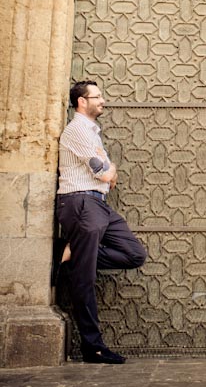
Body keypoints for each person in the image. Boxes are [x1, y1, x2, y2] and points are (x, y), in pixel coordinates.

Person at [55, 79, 147, 364]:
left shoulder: (92, 132)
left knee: (134, 254)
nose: (103, 100)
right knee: (84, 280)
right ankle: (92, 347)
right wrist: (109, 168)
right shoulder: (77, 130)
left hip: (97, 204)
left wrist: (108, 169)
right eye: (97, 96)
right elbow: (106, 174)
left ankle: (68, 254)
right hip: (81, 201)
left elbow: (109, 177)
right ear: (82, 101)